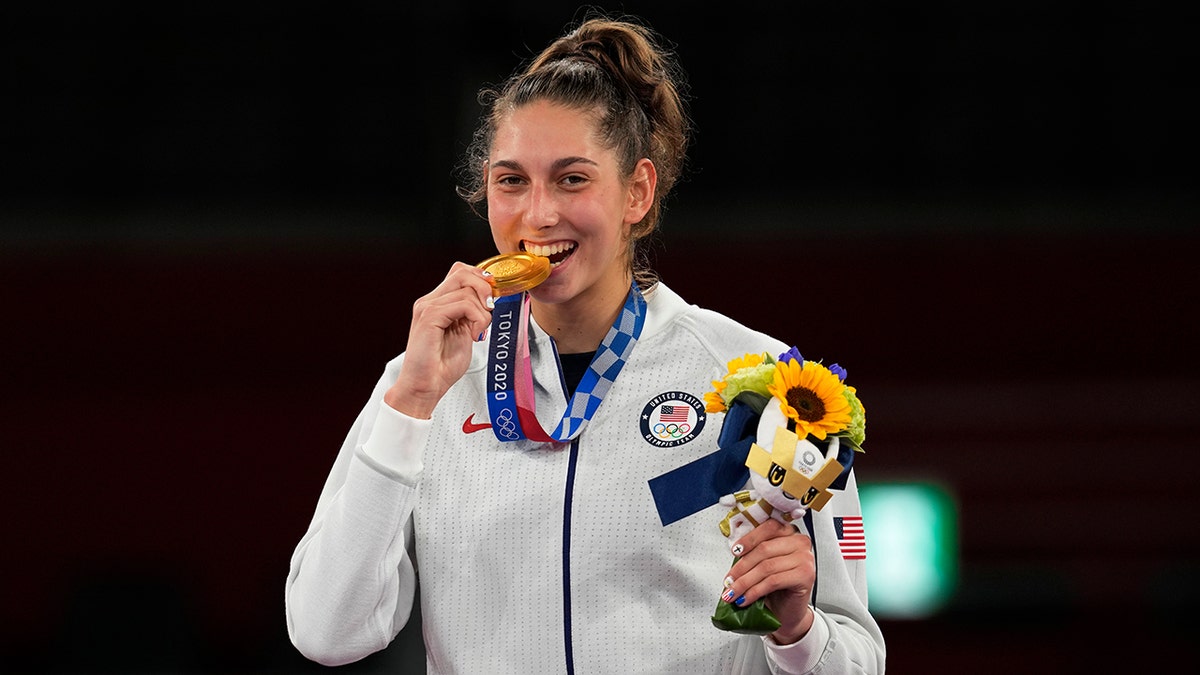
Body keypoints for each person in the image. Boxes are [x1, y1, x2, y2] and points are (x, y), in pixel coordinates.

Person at [285, 13, 885, 674]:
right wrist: (410, 401)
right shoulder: (424, 385)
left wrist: (797, 629)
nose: (538, 214)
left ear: (637, 191)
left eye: (572, 179)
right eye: (511, 181)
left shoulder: (764, 381)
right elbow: (326, 630)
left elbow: (858, 659)